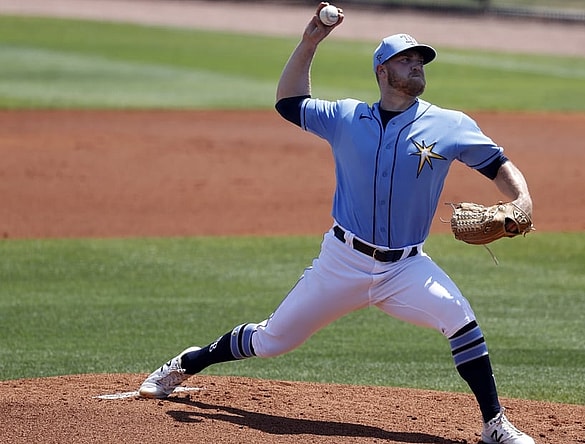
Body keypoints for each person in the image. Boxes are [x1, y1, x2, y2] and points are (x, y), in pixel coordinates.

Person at [138, 3, 536, 443]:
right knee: (273, 341)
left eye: (420, 60)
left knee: (461, 321)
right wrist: (310, 42)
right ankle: (186, 364)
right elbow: (289, 102)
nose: (417, 66)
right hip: (342, 261)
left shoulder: (450, 124)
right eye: (407, 59)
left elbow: (497, 162)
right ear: (382, 71)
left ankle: (494, 425)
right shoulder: (347, 117)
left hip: (406, 268)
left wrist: (521, 198)